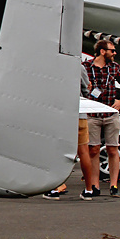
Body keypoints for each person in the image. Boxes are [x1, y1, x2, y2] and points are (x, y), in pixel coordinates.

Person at [84, 40, 120, 199]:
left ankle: (114, 185)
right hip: (93, 115)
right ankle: (94, 184)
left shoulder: (114, 67)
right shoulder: (86, 67)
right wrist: (85, 88)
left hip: (110, 114)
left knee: (112, 148)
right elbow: (76, 84)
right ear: (102, 51)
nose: (115, 53)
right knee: (94, 149)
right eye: (112, 50)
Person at [44, 64, 94, 199]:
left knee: (56, 151)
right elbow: (86, 90)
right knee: (84, 152)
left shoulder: (53, 65)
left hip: (60, 115)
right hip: (79, 114)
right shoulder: (79, 67)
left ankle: (55, 188)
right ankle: (89, 189)